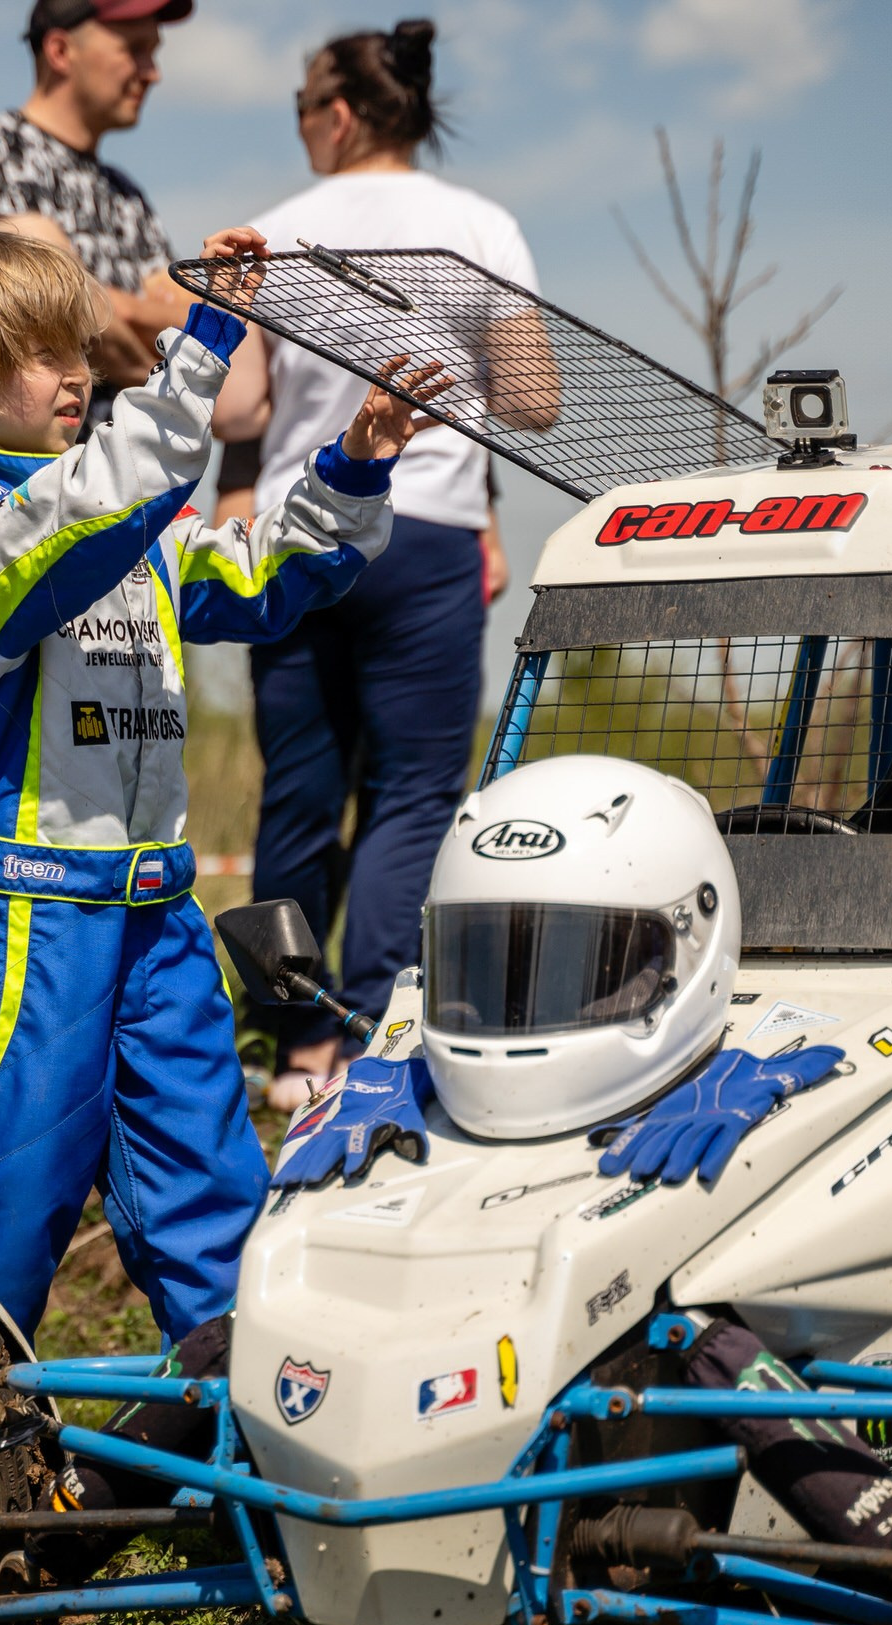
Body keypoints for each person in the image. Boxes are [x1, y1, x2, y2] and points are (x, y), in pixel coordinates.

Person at [0, 222, 450, 1340]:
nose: (78, 373)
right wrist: (202, 345)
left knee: (214, 1200)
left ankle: (246, 1454)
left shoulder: (130, 523)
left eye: (82, 348)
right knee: (7, 1205)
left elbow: (260, 574)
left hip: (156, 913)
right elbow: (76, 523)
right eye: (45, 352)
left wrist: (355, 465)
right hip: (20, 915)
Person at [209, 19, 550, 1111]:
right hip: (431, 534)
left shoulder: (274, 234)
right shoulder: (481, 227)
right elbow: (536, 401)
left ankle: (293, 1049)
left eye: (303, 110)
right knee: (411, 794)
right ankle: (371, 1037)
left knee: (300, 796)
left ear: (340, 112)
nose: (301, 128)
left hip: (306, 529)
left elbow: (239, 410)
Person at [0, 0, 196, 418]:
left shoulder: (126, 196)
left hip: (125, 478)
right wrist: (164, 384)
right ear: (61, 52)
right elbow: (37, 305)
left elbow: (185, 317)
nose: (152, 71)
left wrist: (112, 307)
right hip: (18, 476)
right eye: (134, 49)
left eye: (153, 53)